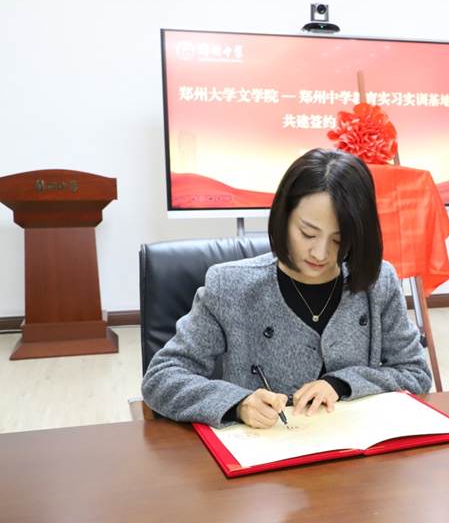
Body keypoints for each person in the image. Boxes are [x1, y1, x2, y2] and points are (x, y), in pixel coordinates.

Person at [142, 148, 432, 428]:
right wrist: (238, 404)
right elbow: (161, 378)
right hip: (265, 451)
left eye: (338, 239)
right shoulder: (230, 287)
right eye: (307, 233)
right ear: (284, 217)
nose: (320, 253)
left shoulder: (377, 282)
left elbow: (415, 372)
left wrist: (342, 384)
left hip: (357, 451)